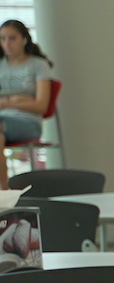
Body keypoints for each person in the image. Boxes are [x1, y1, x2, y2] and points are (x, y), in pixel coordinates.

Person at [0, 20, 55, 190]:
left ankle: (4, 191)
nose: (7, 44)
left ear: (24, 39)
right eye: (2, 39)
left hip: (28, 123)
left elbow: (40, 106)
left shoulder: (38, 65)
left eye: (12, 38)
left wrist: (8, 102)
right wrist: (22, 99)